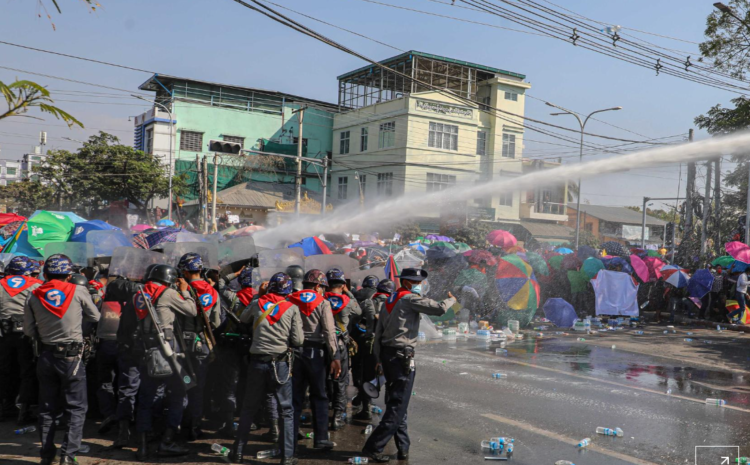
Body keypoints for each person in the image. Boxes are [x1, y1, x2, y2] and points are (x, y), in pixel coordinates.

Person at [363, 268, 455, 463]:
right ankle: (373, 446)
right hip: (401, 357)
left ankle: (403, 447)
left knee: (399, 403)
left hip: (389, 356)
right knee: (397, 406)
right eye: (416, 282)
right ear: (407, 282)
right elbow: (439, 308)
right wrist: (452, 300)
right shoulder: (408, 298)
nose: (418, 285)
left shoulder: (390, 299)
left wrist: (379, 360)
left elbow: (379, 331)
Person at [24, 254, 101, 465]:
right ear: (69, 275)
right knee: (75, 408)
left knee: (47, 409)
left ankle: (47, 455)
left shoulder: (33, 294)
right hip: (71, 357)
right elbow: (96, 317)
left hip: (46, 356)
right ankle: (68, 456)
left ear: (45, 274)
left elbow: (30, 331)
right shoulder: (78, 290)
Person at [231, 272, 304, 465]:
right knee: (286, 411)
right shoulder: (292, 308)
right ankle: (287, 457)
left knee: (248, 408)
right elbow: (298, 340)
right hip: (279, 364)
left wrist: (258, 296)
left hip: (257, 362)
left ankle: (237, 452)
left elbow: (243, 319)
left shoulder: (257, 303)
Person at [133, 264, 196, 460]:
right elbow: (192, 310)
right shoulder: (167, 293)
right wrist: (185, 292)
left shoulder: (138, 294)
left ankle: (142, 446)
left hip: (146, 349)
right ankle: (167, 442)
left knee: (145, 398)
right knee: (178, 393)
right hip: (168, 349)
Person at [288, 269, 339, 452]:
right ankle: (321, 439)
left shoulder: (290, 299)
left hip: (294, 352)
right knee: (319, 396)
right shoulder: (323, 303)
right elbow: (329, 331)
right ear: (318, 286)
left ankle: (290, 441)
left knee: (295, 399)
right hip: (316, 354)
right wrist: (335, 356)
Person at [177, 252, 221, 440]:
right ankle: (194, 426)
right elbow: (217, 322)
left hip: (180, 346)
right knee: (199, 386)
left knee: (183, 383)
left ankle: (179, 424)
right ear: (200, 270)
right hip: (202, 346)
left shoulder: (179, 290)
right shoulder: (212, 291)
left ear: (185, 271)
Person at [0, 257, 42, 424]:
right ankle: (23, 411)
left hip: (3, 333)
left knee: (3, 370)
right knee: (27, 370)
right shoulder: (36, 285)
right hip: (26, 333)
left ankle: (4, 407)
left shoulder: (1, 283)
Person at [214, 266, 255, 438]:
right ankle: (249, 420)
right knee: (250, 386)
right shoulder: (260, 299)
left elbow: (220, 283)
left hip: (232, 344)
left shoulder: (234, 297)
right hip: (252, 347)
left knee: (230, 385)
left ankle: (229, 422)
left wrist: (235, 274)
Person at [324, 268, 362, 431]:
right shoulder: (348, 302)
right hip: (340, 344)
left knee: (324, 378)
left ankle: (324, 411)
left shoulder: (321, 299)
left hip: (324, 343)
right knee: (341, 379)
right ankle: (337, 416)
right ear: (343, 284)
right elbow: (359, 312)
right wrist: (349, 293)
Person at [353, 278, 394, 420]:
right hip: (390, 345)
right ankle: (390, 413)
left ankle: (366, 409)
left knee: (368, 377)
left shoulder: (368, 303)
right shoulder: (396, 304)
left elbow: (355, 318)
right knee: (390, 378)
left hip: (370, 344)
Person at [351, 275, 380, 420]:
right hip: (375, 340)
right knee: (371, 373)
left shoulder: (358, 295)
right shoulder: (381, 297)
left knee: (358, 369)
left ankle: (362, 400)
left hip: (358, 337)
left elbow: (354, 315)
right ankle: (364, 400)